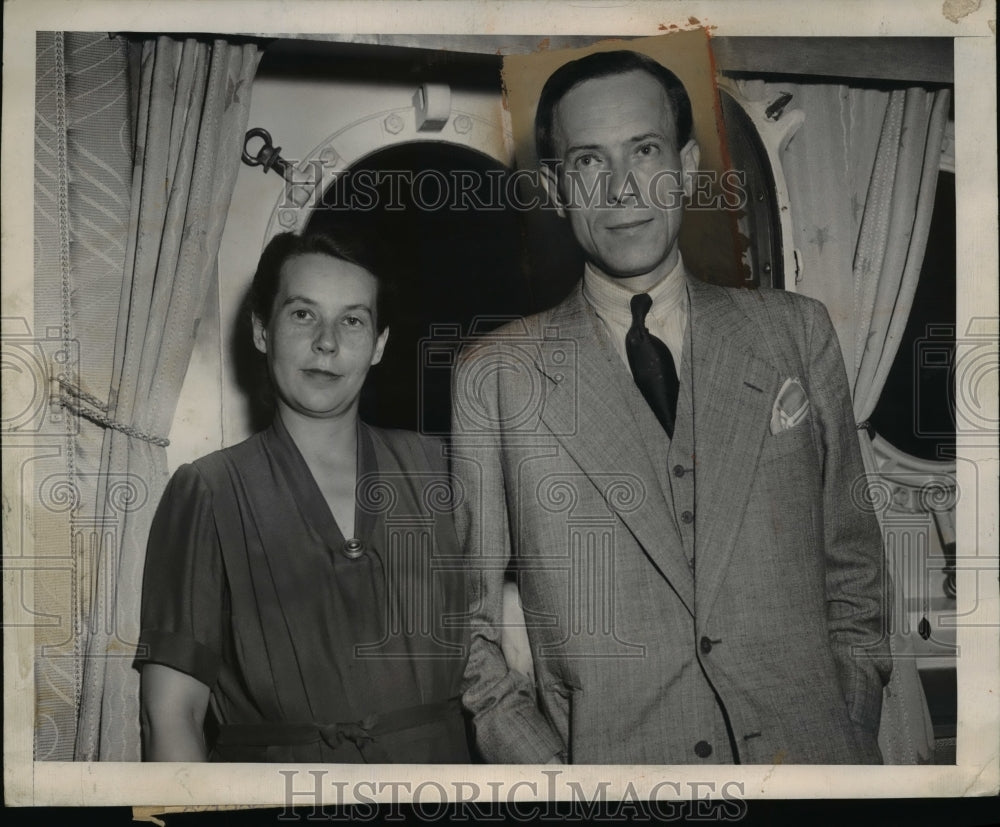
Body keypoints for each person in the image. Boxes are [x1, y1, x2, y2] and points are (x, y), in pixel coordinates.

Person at [451, 49, 892, 764]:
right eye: (590, 162)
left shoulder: (795, 333)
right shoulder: (495, 377)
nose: (624, 188)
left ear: (687, 167)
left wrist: (846, 728)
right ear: (556, 189)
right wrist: (553, 780)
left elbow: (856, 571)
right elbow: (466, 630)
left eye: (645, 151)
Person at [136, 231, 469, 762]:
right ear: (262, 330)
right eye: (303, 315)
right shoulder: (208, 492)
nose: (327, 343)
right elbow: (170, 718)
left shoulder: (439, 472)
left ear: (380, 343)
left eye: (353, 320)